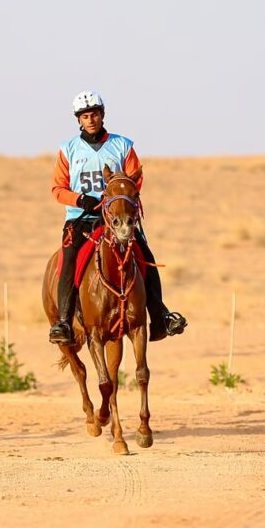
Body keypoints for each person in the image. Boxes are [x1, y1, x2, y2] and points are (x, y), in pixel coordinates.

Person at [48, 91, 187, 345]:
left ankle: (160, 316)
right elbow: (57, 189)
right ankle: (64, 322)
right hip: (81, 217)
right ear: (79, 120)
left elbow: (136, 179)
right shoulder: (67, 150)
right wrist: (80, 199)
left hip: (115, 217)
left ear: (103, 115)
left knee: (145, 255)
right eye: (85, 116)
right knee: (68, 259)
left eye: (95, 114)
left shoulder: (123, 145)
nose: (91, 120)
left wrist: (120, 203)